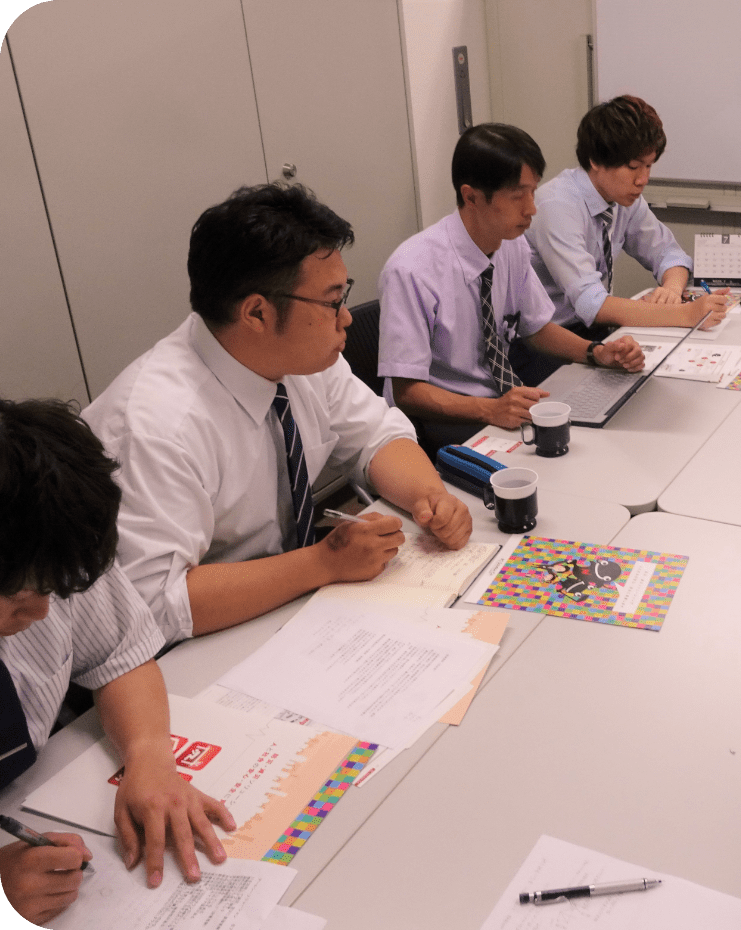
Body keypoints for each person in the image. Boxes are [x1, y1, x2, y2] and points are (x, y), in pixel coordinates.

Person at [84, 184, 472, 647]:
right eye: (332, 301)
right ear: (257, 313)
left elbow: (377, 435)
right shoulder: (158, 425)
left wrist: (431, 498)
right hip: (197, 642)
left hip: (289, 600)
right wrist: (322, 563)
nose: (346, 317)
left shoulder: (300, 359)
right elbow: (155, 603)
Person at [0, 398, 235, 925]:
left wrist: (149, 754)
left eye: (53, 592)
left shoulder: (48, 543)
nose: (41, 613)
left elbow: (119, 653)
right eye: (17, 598)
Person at [378, 123, 645, 456]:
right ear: (471, 196)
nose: (531, 208)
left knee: (596, 438)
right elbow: (405, 392)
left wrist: (596, 353)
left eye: (533, 191)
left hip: (500, 400)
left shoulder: (511, 244)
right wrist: (489, 410)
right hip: (443, 417)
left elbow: (536, 328)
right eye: (518, 196)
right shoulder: (412, 269)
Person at [526, 95, 730, 342]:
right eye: (633, 167)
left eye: (649, 166)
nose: (643, 179)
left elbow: (670, 254)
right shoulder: (557, 206)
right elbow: (591, 303)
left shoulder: (622, 198)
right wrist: (686, 314)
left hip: (594, 330)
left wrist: (672, 289)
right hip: (547, 339)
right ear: (595, 160)